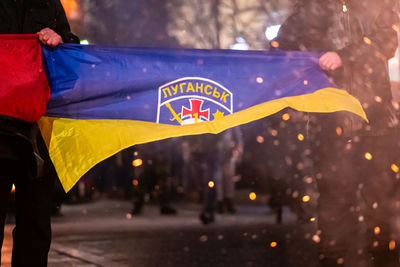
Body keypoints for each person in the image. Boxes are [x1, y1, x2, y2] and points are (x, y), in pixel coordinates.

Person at [274, 0, 399, 266]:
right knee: (334, 206)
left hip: (376, 123)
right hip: (330, 125)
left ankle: (384, 260)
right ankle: (332, 261)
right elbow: (283, 46)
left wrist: (345, 55)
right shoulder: (310, 8)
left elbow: (387, 41)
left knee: (379, 205)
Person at [0, 0, 79, 266]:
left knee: (35, 229)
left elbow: (72, 58)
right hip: (0, 135)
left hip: (38, 137)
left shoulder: (49, 3)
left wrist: (61, 40)